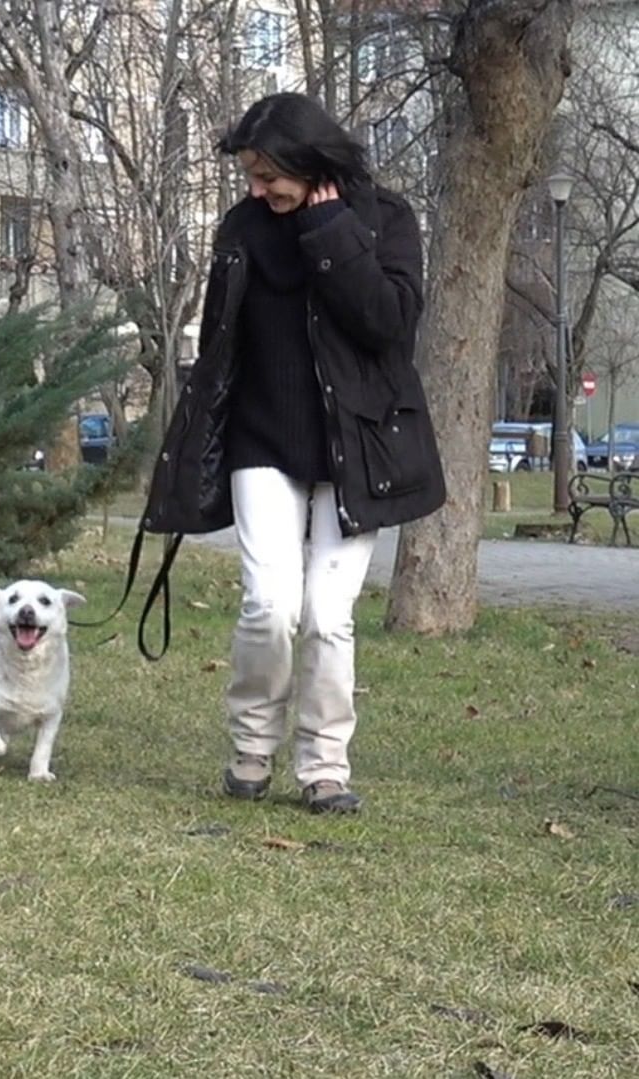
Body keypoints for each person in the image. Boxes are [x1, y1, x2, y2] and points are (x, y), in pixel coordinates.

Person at [140, 93, 445, 813]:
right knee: (270, 606)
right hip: (261, 442)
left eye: (267, 176)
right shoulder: (242, 228)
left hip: (359, 447)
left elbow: (390, 325)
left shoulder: (385, 220)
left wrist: (329, 229)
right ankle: (251, 747)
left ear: (310, 165)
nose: (255, 190)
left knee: (328, 615)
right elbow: (220, 343)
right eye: (249, 176)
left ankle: (324, 767)